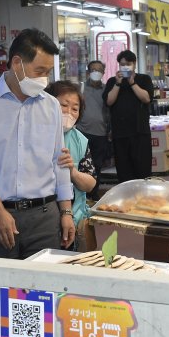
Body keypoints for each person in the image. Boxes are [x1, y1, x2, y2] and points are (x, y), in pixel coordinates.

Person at [0, 28, 75, 259]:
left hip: (45, 215)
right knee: (1, 289)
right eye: (40, 71)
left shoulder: (51, 105)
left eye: (48, 72)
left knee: (45, 290)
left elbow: (59, 160)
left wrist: (66, 212)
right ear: (16, 63)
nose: (45, 79)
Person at [45, 81, 97, 251]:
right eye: (63, 105)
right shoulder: (37, 134)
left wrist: (72, 172)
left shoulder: (80, 140)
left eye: (75, 109)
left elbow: (90, 184)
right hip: (45, 217)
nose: (68, 112)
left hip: (74, 216)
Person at [103, 50, 154, 182]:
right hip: (120, 134)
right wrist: (118, 83)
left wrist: (132, 82)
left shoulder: (144, 79)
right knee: (124, 171)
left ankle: (144, 197)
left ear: (134, 64)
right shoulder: (111, 82)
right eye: (122, 64)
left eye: (128, 64)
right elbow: (109, 101)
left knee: (142, 170)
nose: (125, 67)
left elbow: (146, 98)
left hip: (140, 132)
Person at [76, 60, 110, 200]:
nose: (96, 72)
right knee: (81, 165)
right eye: (93, 70)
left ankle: (93, 194)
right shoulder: (81, 88)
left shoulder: (107, 89)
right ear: (88, 72)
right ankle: (80, 195)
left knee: (97, 165)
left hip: (101, 133)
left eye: (99, 70)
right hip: (83, 132)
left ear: (103, 73)